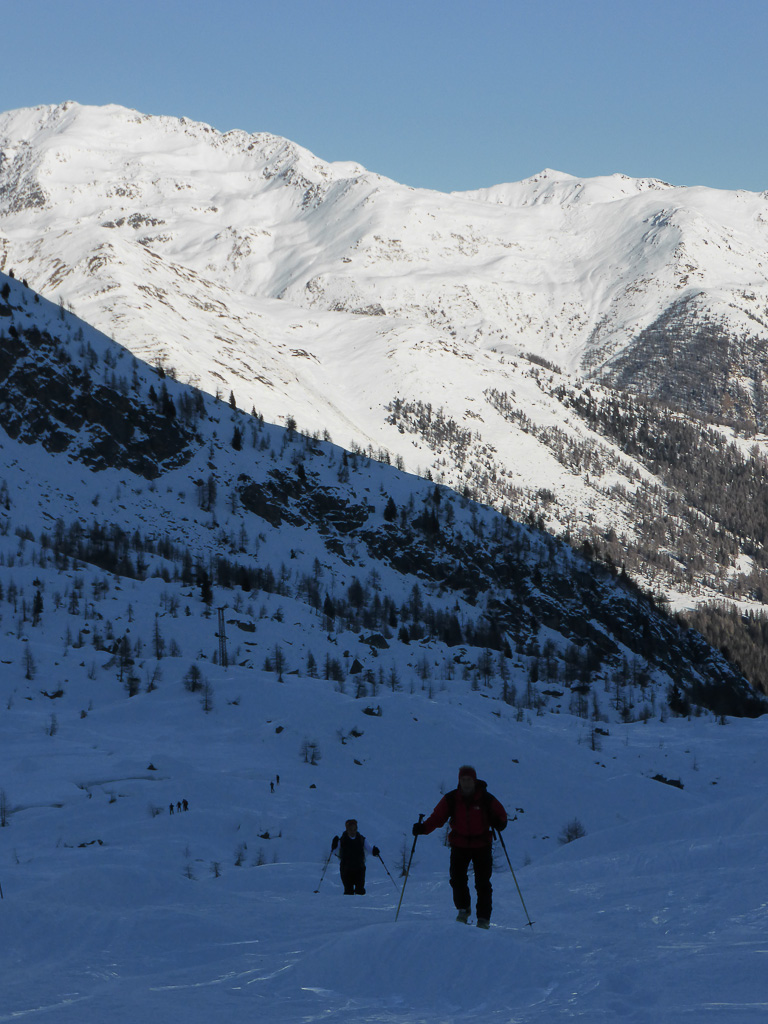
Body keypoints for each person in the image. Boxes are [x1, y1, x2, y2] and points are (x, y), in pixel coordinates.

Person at [412, 765, 507, 928]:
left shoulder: (486, 798)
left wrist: (500, 823)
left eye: (469, 779)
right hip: (460, 844)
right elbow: (437, 817)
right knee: (457, 879)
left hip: (482, 844)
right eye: (463, 779)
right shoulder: (451, 799)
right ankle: (463, 909)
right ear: (459, 781)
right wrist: (423, 828)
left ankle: (483, 918)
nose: (466, 782)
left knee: (483, 883)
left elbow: (502, 815)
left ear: (474, 780)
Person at [330, 818, 380, 895]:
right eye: (351, 829)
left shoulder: (361, 839)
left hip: (359, 869)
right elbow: (334, 852)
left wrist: (375, 851)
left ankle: (360, 902)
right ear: (347, 830)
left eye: (354, 829)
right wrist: (334, 845)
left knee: (360, 890)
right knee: (348, 891)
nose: (353, 831)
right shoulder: (342, 840)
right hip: (346, 869)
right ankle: (349, 902)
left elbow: (370, 849)